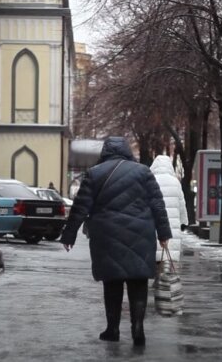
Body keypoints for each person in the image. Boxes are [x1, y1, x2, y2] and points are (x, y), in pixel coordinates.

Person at [60, 136, 172, 347]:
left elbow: (80, 207)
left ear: (106, 151)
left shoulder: (95, 173)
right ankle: (138, 329)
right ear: (127, 151)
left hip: (107, 235)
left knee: (112, 283)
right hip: (140, 234)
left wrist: (69, 234)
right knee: (138, 282)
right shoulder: (143, 172)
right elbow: (157, 204)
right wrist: (164, 234)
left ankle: (112, 329)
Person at [150, 155, 189, 264]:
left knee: (157, 256)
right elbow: (182, 204)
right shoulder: (175, 182)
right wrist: (184, 222)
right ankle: (167, 275)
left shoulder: (150, 181)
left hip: (155, 225)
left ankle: (158, 275)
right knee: (169, 257)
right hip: (172, 227)